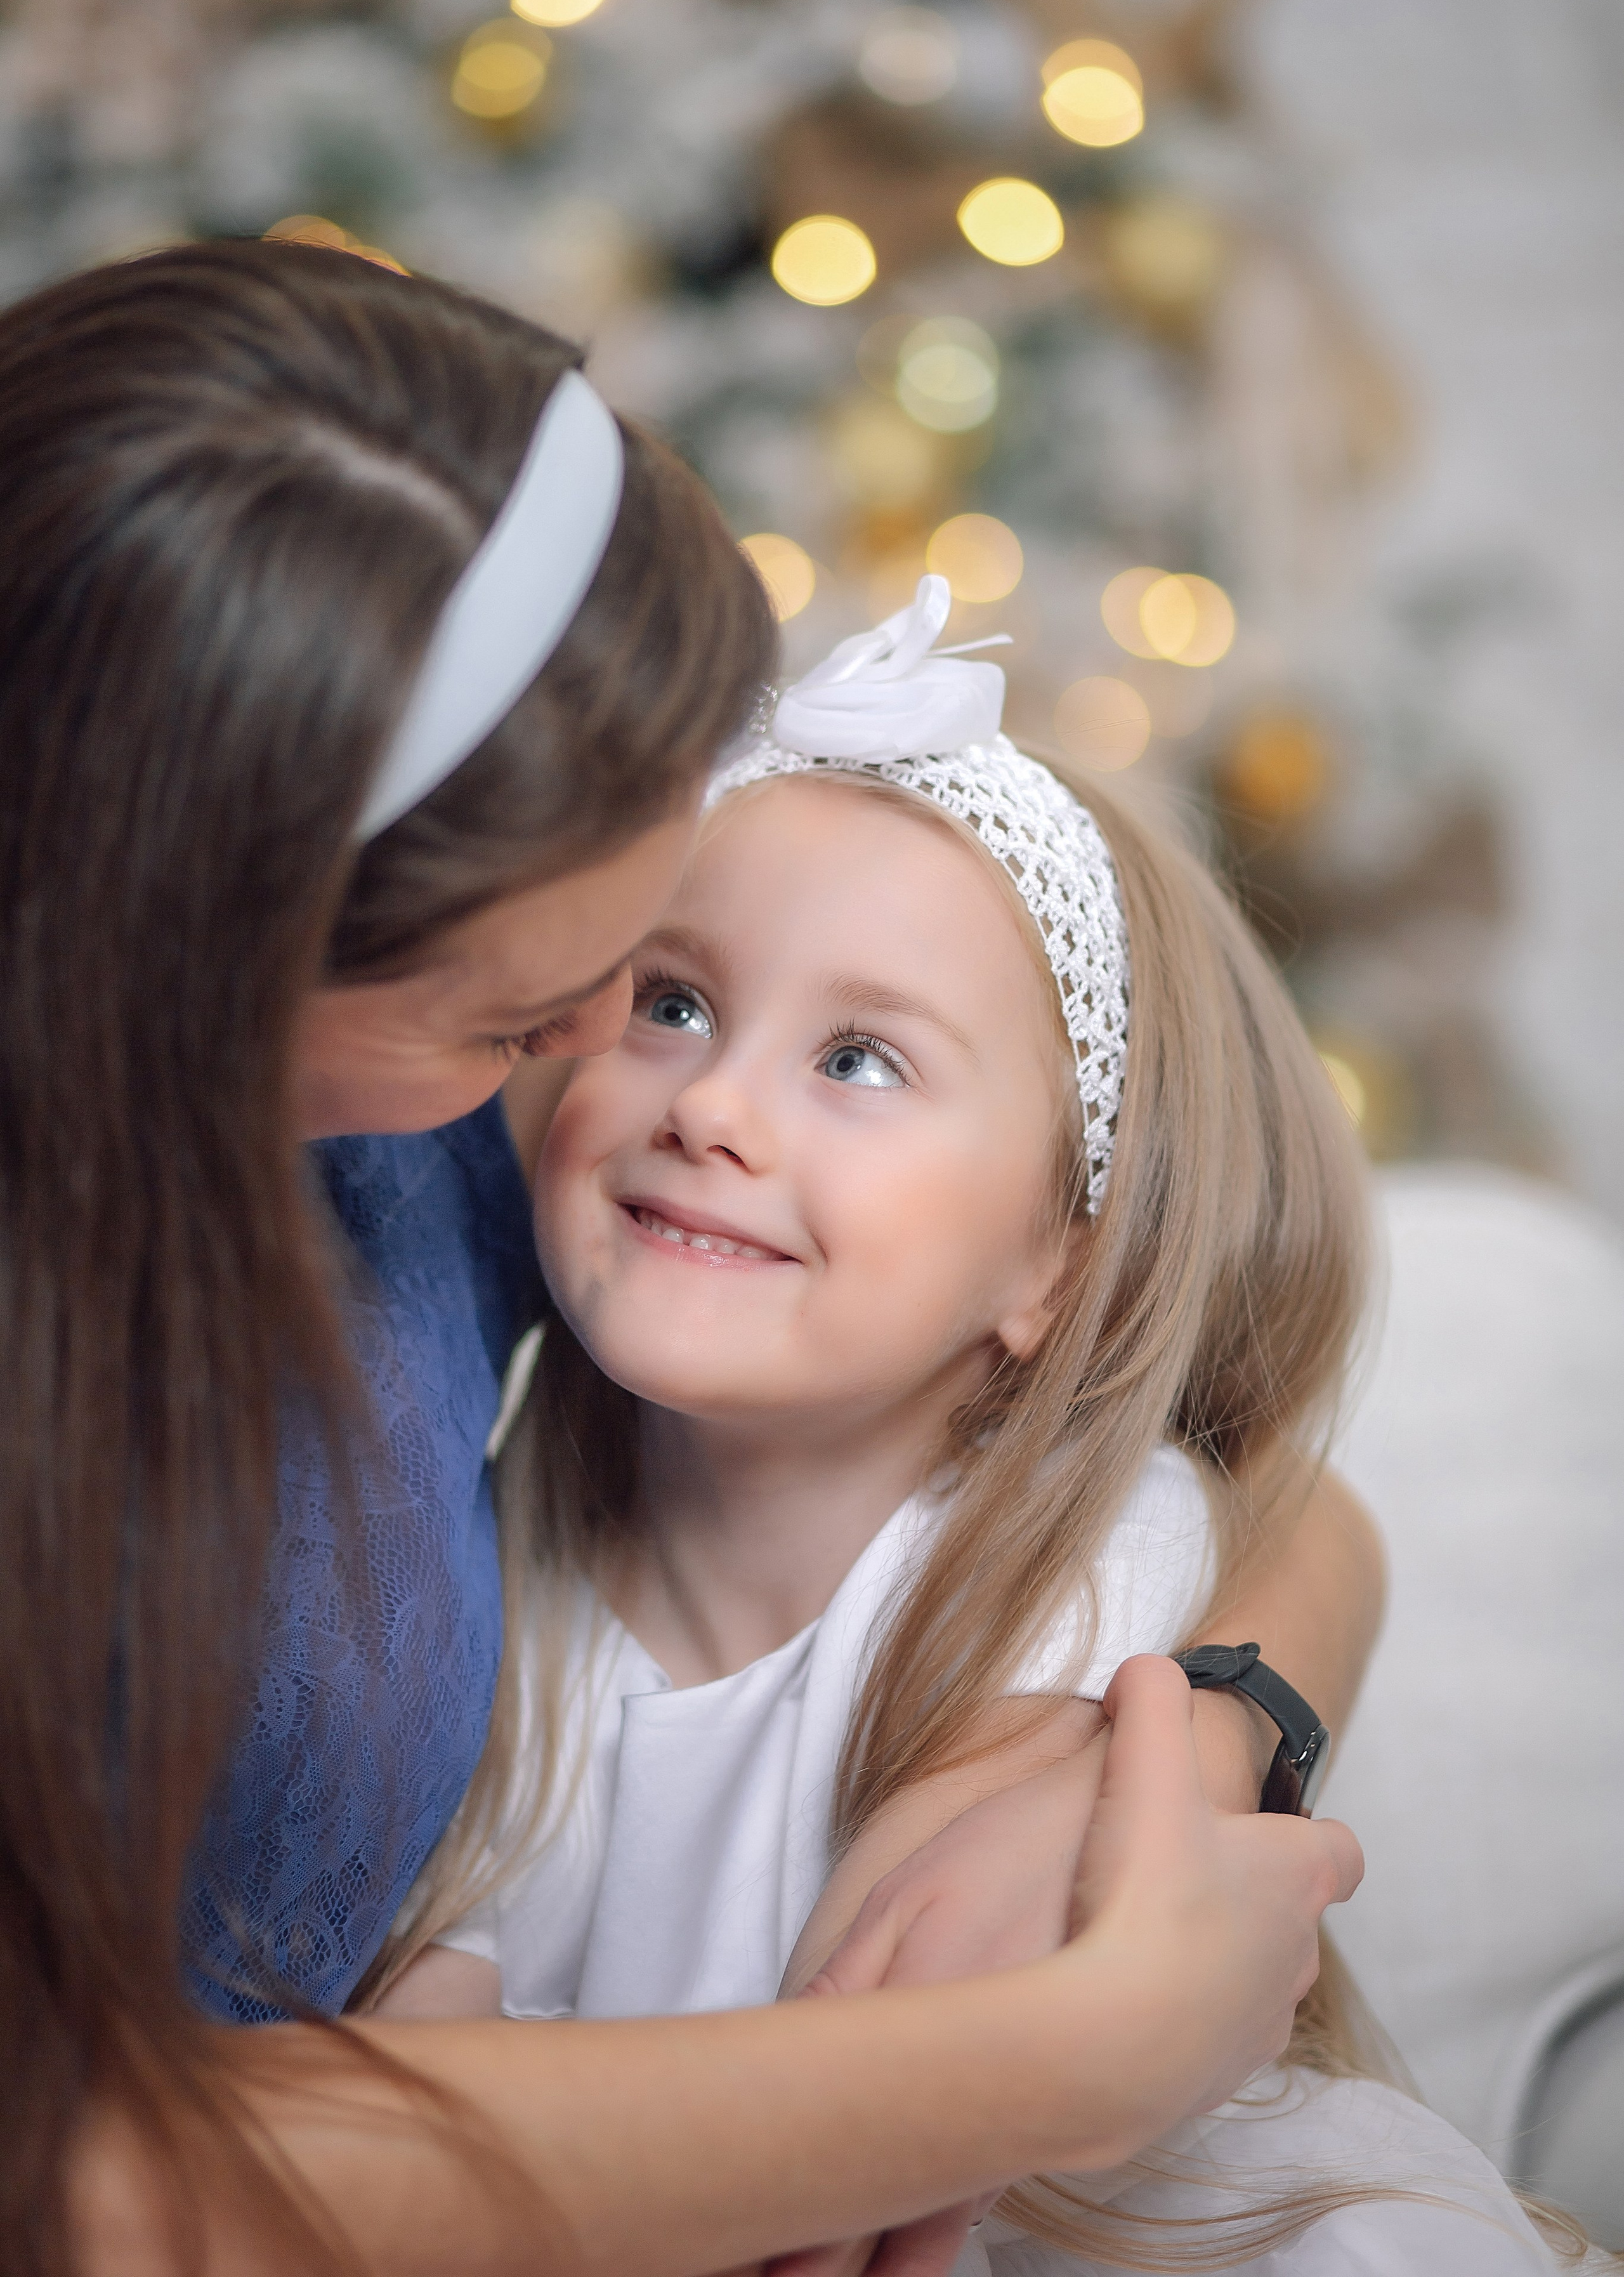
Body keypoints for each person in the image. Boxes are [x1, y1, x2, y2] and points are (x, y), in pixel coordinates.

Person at [0, 240, 1361, 2274]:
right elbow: (108, 2181)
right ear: (206, 955)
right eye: (604, 995)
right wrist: (1086, 2042)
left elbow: (1242, 1490)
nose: (611, 1058)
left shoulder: (438, 1158)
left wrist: (1171, 1730)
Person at [384, 585, 1562, 2273]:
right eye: (674, 1003)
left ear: (1053, 1257)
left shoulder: (1088, 1556)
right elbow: (424, 2087)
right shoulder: (490, 1567)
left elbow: (934, 2080)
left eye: (859, 1058)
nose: (709, 1106)